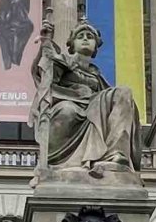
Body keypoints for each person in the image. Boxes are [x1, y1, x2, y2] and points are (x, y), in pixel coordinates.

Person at [31, 20, 141, 178]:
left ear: (96, 46)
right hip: (69, 107)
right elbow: (45, 79)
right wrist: (46, 45)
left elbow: (112, 104)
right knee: (68, 110)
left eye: (89, 37)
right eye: (80, 36)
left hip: (92, 107)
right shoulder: (63, 61)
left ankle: (116, 154)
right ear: (72, 44)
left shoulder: (96, 75)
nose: (85, 39)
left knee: (124, 92)